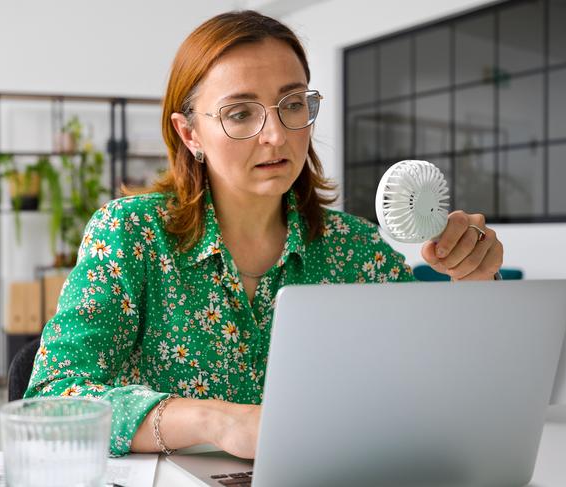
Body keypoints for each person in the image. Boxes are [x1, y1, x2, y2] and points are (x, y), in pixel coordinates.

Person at [25, 10, 504, 459]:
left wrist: (476, 287)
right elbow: (50, 402)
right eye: (240, 114)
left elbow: (439, 393)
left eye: (292, 104)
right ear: (190, 133)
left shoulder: (357, 252)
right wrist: (218, 421)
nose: (276, 134)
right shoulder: (131, 235)